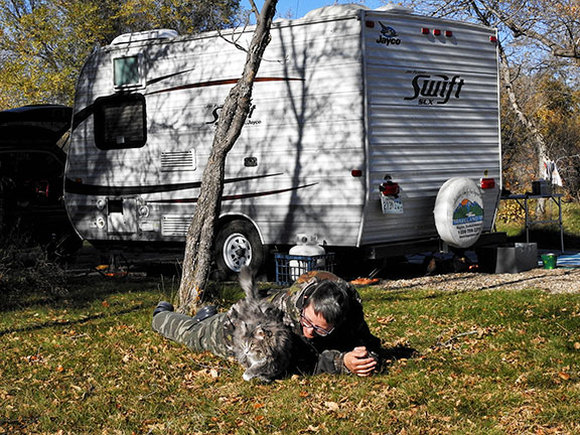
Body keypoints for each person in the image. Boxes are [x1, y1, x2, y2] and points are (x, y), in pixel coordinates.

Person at [152, 270, 383, 377]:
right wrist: (342, 362)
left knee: (202, 324)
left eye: (321, 329)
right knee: (192, 334)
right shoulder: (284, 313)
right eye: (307, 322)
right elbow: (297, 362)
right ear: (304, 304)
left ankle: (206, 315)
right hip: (236, 329)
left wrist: (366, 356)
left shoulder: (349, 308)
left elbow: (367, 341)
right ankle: (161, 315)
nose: (309, 332)